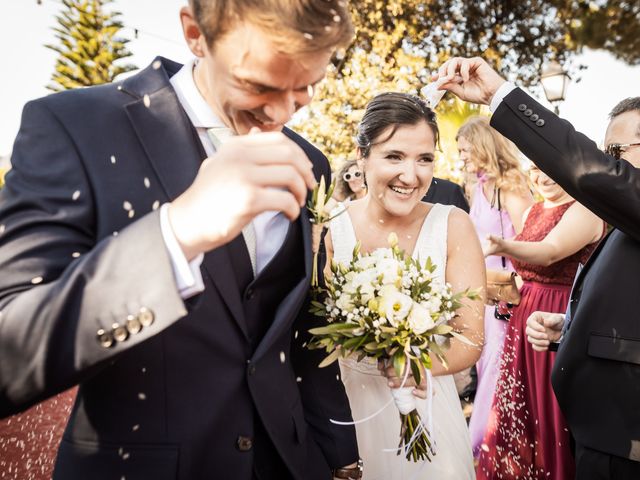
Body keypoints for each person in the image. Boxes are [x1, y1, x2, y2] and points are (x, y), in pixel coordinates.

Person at [0, 1, 361, 479]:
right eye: (258, 85)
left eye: (305, 88)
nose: (280, 113)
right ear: (195, 34)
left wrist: (337, 455)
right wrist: (178, 233)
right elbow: (9, 353)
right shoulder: (75, 126)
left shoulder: (309, 161)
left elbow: (293, 334)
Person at [436, 56, 640, 479]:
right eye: (607, 153)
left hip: (626, 439)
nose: (611, 163)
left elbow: (587, 174)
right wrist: (570, 325)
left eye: (617, 153)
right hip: (604, 433)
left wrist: (498, 96)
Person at [326, 92, 485, 479]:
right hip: (343, 412)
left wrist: (420, 365)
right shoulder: (329, 227)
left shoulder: (453, 224)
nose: (410, 176)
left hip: (427, 408)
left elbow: (471, 338)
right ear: (362, 156)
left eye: (424, 159)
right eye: (394, 156)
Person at [476, 165, 605, 479]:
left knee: (550, 407)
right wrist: (505, 288)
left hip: (557, 316)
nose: (542, 176)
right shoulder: (534, 209)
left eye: (549, 168)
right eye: (534, 169)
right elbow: (526, 268)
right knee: (520, 404)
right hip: (523, 316)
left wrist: (502, 245)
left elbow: (549, 252)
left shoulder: (584, 208)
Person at [457, 116, 534, 455]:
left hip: (508, 298)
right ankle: (499, 446)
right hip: (482, 295)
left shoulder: (511, 188)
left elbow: (533, 241)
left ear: (483, 145)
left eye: (465, 149)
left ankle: (478, 444)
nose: (460, 157)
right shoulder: (477, 187)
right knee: (484, 364)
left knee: (497, 368)